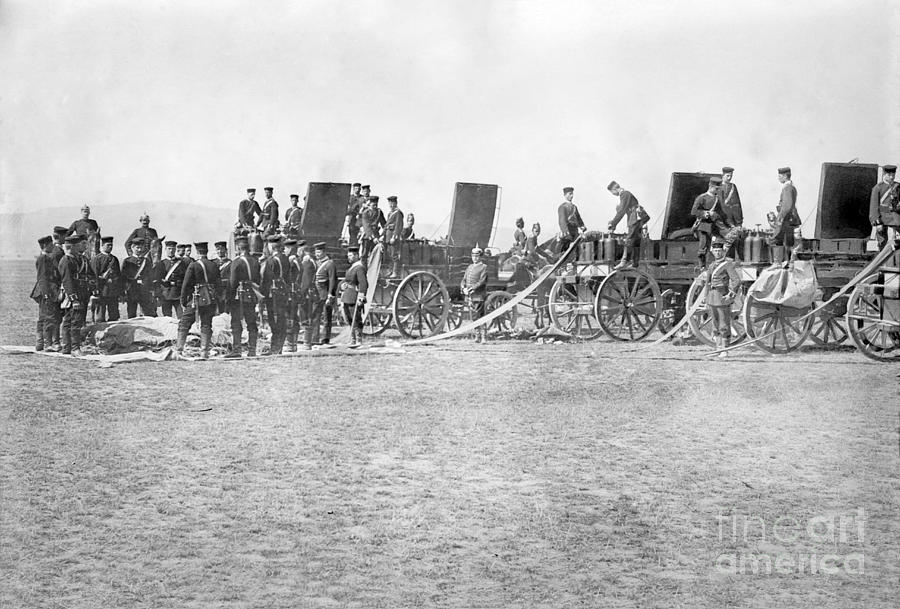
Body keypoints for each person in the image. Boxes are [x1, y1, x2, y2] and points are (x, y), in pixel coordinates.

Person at [175, 242, 221, 360]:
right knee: (206, 324)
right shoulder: (213, 265)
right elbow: (218, 284)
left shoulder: (193, 265)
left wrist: (184, 300)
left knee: (184, 323)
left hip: (196, 298)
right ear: (206, 251)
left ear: (197, 252)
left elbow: (186, 285)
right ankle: (204, 352)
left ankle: (179, 350)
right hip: (210, 299)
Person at [698, 237, 741, 355]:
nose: (717, 253)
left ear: (723, 251)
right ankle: (718, 348)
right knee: (715, 324)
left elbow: (736, 280)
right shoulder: (712, 265)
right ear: (712, 251)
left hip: (722, 296)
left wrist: (731, 294)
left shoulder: (727, 264)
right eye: (715, 251)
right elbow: (707, 283)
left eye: (719, 251)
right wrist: (705, 297)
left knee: (724, 324)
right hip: (712, 297)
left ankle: (725, 350)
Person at [227, 235, 262, 358]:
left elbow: (232, 283)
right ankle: (252, 350)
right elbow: (258, 279)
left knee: (236, 323)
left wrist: (229, 298)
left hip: (239, 296)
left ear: (238, 247)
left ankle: (237, 350)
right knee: (252, 323)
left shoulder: (236, 262)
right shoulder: (255, 261)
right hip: (251, 295)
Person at [58, 235, 93, 354]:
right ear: (72, 246)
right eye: (78, 245)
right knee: (74, 322)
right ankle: (74, 348)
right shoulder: (66, 260)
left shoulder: (81, 259)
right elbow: (67, 281)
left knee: (70, 321)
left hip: (83, 293)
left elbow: (89, 275)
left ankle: (67, 347)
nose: (81, 247)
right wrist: (74, 299)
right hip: (73, 295)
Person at [608, 181, 651, 270]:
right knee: (635, 242)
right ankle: (635, 263)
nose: (613, 194)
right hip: (638, 219)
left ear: (615, 189)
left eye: (612, 192)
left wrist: (612, 225)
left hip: (634, 219)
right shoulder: (626, 194)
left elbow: (621, 212)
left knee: (629, 240)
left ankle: (623, 262)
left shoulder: (624, 194)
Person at [690, 176, 731, 269]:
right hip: (703, 227)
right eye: (716, 188)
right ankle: (702, 267)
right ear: (711, 186)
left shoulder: (717, 199)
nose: (717, 190)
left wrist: (730, 225)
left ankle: (713, 266)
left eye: (718, 188)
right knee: (703, 247)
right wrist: (706, 213)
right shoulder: (701, 198)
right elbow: (694, 211)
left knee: (716, 247)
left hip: (714, 227)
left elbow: (722, 214)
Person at [261, 234, 290, 354]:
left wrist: (262, 295)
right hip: (283, 291)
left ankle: (275, 347)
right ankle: (279, 347)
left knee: (274, 319)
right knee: (281, 319)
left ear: (271, 246)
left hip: (272, 293)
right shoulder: (285, 258)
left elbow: (266, 279)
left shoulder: (271, 261)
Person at [31, 236, 59, 351]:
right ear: (44, 246)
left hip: (49, 290)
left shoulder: (48, 257)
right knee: (48, 317)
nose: (53, 245)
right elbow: (42, 278)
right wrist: (46, 294)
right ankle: (48, 344)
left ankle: (40, 343)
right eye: (50, 244)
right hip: (46, 291)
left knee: (43, 317)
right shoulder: (43, 259)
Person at [770, 167, 801, 269]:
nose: (778, 178)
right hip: (790, 219)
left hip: (787, 219)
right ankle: (788, 263)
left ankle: (777, 263)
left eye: (779, 176)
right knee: (789, 242)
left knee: (777, 238)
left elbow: (787, 206)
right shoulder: (790, 187)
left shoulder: (787, 188)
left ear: (784, 176)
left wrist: (780, 218)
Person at [310, 242, 338, 345]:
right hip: (317, 294)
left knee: (327, 317)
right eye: (316, 252)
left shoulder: (330, 263)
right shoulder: (317, 262)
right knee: (315, 316)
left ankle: (325, 339)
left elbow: (332, 280)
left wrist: (331, 294)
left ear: (324, 252)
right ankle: (314, 338)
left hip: (326, 293)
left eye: (319, 252)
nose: (317, 254)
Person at [121, 238, 157, 318]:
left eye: (141, 247)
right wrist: (123, 291)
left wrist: (151, 289)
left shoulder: (146, 261)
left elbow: (150, 275)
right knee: (131, 313)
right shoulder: (127, 261)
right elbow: (123, 277)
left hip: (144, 290)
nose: (140, 250)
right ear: (132, 248)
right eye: (137, 247)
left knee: (148, 313)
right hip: (132, 290)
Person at [340, 246, 368, 346]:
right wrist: (342, 286)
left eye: (351, 256)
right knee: (349, 318)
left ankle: (359, 340)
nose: (349, 258)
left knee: (356, 318)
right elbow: (346, 280)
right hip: (347, 295)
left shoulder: (359, 268)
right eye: (348, 256)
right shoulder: (351, 268)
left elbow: (363, 283)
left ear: (356, 256)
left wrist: (361, 296)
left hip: (354, 296)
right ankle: (352, 339)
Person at [461, 246, 489, 344]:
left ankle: (484, 337)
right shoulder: (469, 267)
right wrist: (463, 288)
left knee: (480, 315)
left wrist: (472, 288)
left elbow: (482, 281)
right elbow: (464, 280)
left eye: (477, 256)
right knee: (473, 316)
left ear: (480, 257)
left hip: (479, 295)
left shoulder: (484, 267)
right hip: (469, 295)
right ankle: (477, 336)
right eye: (473, 256)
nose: (475, 258)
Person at [91, 236, 121, 322]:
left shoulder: (114, 259)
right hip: (102, 290)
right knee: (100, 316)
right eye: (108, 245)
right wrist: (95, 290)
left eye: (111, 245)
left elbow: (118, 275)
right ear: (102, 245)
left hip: (113, 291)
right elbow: (94, 275)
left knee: (114, 315)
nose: (110, 247)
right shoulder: (97, 258)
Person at [870, 164, 899, 250]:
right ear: (884, 174)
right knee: (882, 242)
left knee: (896, 242)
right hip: (883, 218)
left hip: (896, 218)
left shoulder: (898, 186)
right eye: (889, 175)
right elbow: (874, 206)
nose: (891, 177)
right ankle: (883, 261)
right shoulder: (878, 188)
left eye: (893, 175)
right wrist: (877, 223)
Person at [718, 167, 744, 258]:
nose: (729, 178)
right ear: (723, 175)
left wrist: (740, 219)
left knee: (736, 240)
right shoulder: (719, 187)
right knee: (728, 240)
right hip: (726, 218)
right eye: (728, 175)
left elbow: (738, 203)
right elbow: (721, 205)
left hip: (736, 218)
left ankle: (733, 261)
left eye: (731, 176)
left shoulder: (733, 186)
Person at [155, 240, 184, 318]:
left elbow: (184, 278)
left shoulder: (181, 263)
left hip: (178, 293)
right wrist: (158, 294)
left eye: (173, 249)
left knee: (181, 316)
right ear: (165, 249)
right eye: (169, 249)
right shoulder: (161, 264)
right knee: (167, 318)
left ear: (175, 250)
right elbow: (157, 280)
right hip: (166, 294)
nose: (171, 251)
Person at [297, 241, 318, 349]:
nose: (297, 253)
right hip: (311, 291)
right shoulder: (312, 260)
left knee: (306, 316)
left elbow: (305, 280)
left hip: (307, 293)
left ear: (303, 251)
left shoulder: (307, 262)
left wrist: (300, 293)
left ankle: (307, 343)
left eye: (298, 251)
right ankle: (308, 342)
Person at [557, 187, 585, 257]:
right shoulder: (562, 207)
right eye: (570, 194)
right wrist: (565, 231)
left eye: (572, 194)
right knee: (565, 252)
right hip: (567, 231)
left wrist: (582, 226)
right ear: (565, 195)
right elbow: (562, 220)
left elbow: (578, 218)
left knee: (577, 250)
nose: (572, 196)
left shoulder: (574, 207)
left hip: (575, 231)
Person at [359, 194, 386, 263]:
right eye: (373, 204)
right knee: (365, 254)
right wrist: (373, 237)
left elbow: (384, 224)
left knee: (376, 253)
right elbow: (366, 226)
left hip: (377, 234)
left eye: (376, 204)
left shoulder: (379, 212)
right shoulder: (365, 213)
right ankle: (363, 270)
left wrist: (383, 235)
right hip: (367, 235)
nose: (375, 206)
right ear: (369, 203)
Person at [384, 195, 404, 278]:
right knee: (389, 254)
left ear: (396, 203)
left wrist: (394, 237)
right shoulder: (390, 213)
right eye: (390, 204)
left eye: (393, 204)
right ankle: (390, 271)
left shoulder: (398, 213)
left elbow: (398, 226)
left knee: (394, 255)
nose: (391, 205)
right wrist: (383, 235)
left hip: (392, 237)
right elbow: (387, 225)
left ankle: (395, 272)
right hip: (388, 236)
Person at [213, 241, 232, 315]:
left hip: (226, 288)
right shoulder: (213, 262)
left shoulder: (230, 262)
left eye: (222, 249)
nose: (220, 251)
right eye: (218, 249)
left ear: (226, 250)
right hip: (216, 288)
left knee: (226, 306)